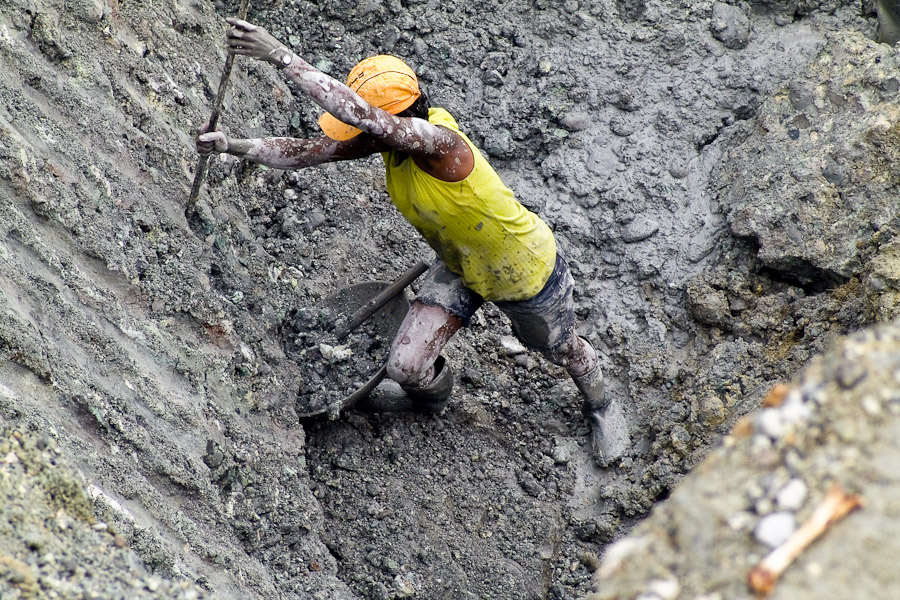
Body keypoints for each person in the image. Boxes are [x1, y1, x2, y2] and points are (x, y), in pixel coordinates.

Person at [195, 18, 629, 465]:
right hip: (461, 266)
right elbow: (309, 152)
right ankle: (432, 399)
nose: (360, 133)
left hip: (523, 272)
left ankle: (601, 404)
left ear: (396, 116)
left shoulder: (440, 143)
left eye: (374, 122)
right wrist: (234, 145)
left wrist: (280, 55)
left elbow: (359, 115)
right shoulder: (387, 143)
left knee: (562, 349)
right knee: (404, 367)